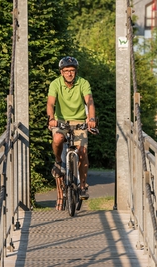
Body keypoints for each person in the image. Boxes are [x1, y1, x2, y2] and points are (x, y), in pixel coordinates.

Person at [47, 56, 96, 208]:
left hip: (80, 121)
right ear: (61, 72)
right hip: (61, 121)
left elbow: (89, 101)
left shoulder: (83, 83)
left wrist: (91, 119)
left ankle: (82, 185)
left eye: (72, 71)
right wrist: (51, 119)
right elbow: (50, 103)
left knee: (82, 152)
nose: (69, 74)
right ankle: (58, 161)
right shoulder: (55, 84)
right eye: (66, 71)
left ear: (76, 72)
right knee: (57, 138)